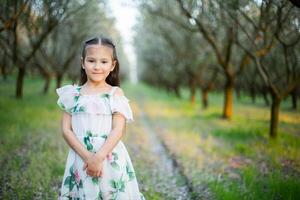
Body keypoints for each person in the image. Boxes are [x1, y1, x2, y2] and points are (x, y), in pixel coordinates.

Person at [56, 36, 145, 200]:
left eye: (104, 62)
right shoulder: (72, 94)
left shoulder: (115, 94)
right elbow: (66, 130)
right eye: (91, 61)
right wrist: (88, 158)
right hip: (80, 157)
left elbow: (118, 130)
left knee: (109, 193)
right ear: (83, 63)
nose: (97, 67)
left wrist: (98, 157)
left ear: (113, 65)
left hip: (108, 156)